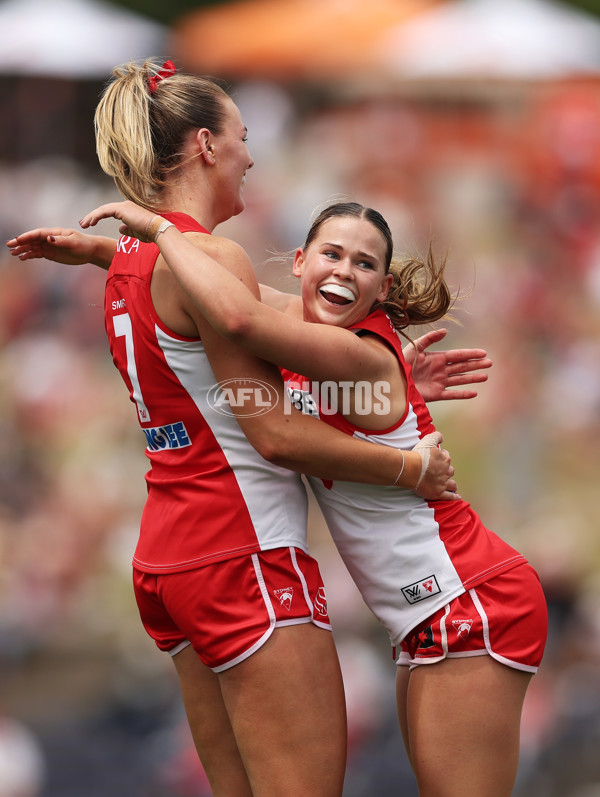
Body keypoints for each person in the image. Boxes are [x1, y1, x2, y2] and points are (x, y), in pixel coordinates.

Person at [4, 60, 492, 797]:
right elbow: (274, 434)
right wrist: (407, 467)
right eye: (241, 135)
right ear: (205, 144)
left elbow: (244, 350)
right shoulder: (206, 254)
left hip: (169, 557)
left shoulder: (136, 258)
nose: (252, 154)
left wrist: (378, 379)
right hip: (242, 551)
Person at [71, 196, 549, 797]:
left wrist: (162, 231)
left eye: (364, 264)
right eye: (332, 254)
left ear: (382, 287)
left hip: (473, 601)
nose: (344, 271)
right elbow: (244, 302)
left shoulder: (353, 353)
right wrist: (104, 252)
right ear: (299, 263)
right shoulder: (317, 344)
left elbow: (237, 317)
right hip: (426, 610)